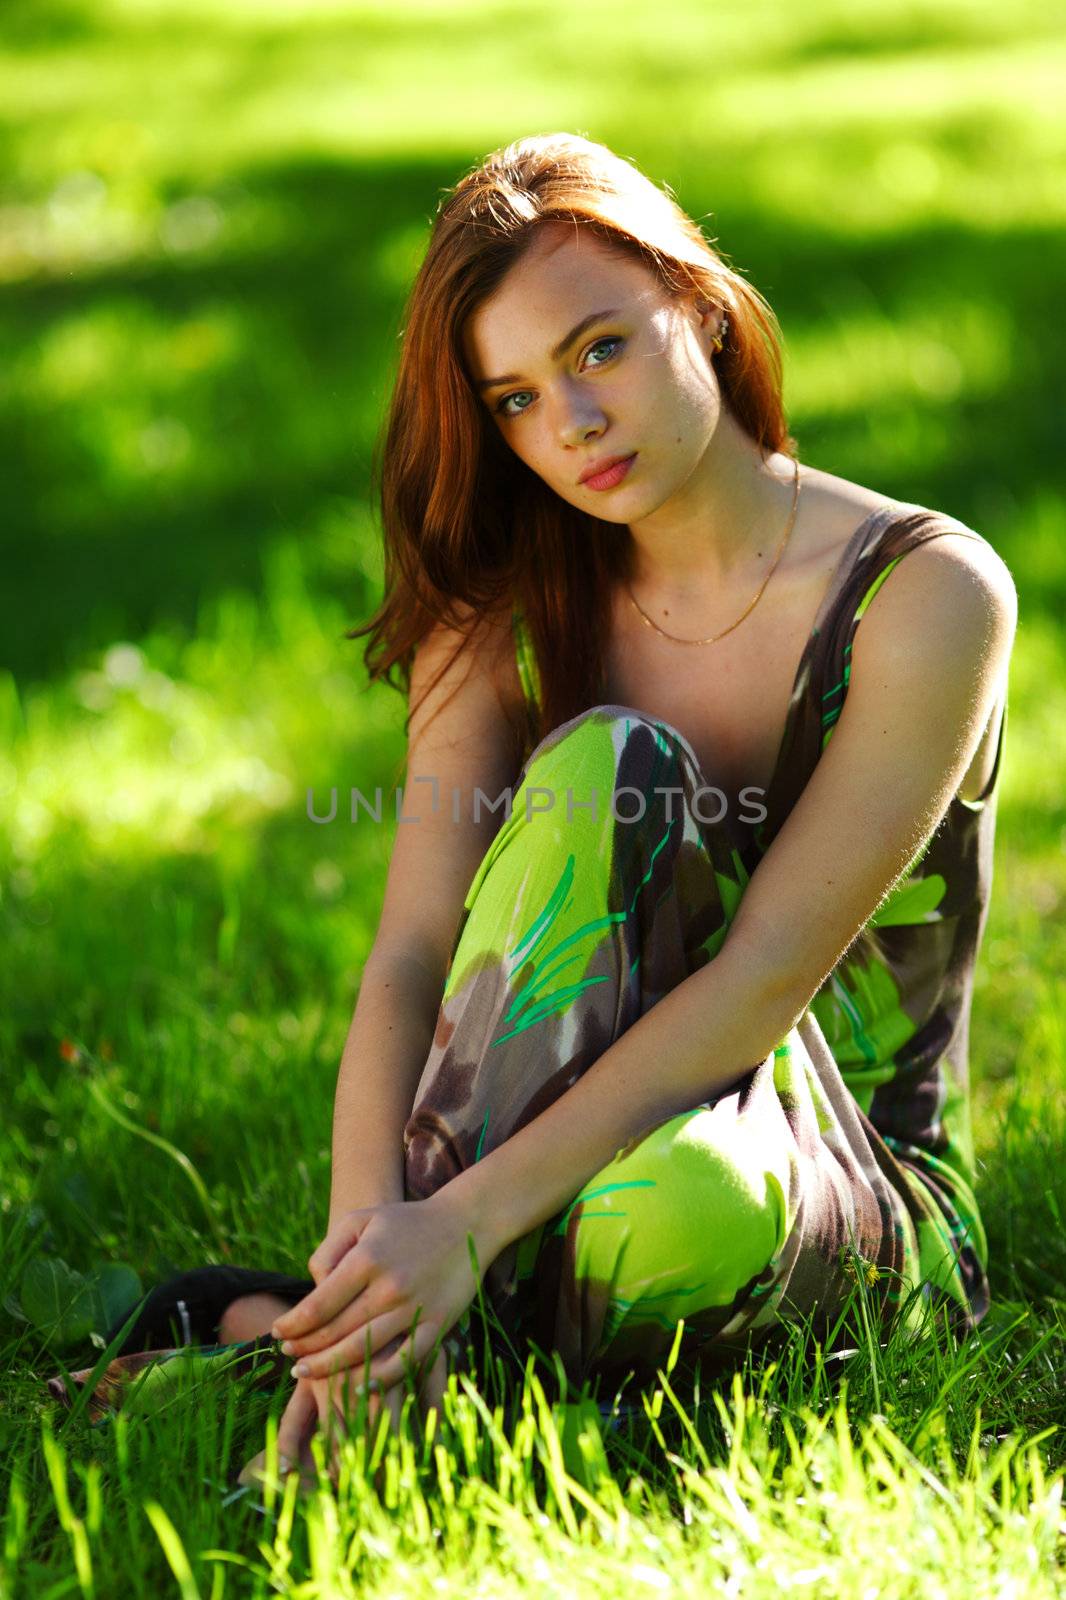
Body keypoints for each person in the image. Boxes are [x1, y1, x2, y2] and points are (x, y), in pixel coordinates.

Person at [55, 132, 1017, 1484]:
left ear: (698, 301)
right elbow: (408, 952)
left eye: (598, 350)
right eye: (510, 398)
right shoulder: (497, 604)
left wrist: (458, 1228)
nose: (567, 424)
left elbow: (756, 988)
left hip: (839, 1176)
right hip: (548, 1150)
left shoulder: (924, 595)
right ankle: (393, 1338)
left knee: (671, 1208)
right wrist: (371, 1228)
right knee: (600, 769)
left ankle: (304, 1347)